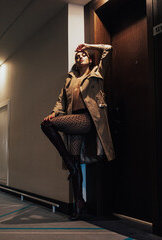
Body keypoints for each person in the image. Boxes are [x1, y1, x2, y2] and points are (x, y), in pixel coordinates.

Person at [41, 43, 115, 220]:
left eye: (83, 55)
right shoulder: (70, 79)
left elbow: (109, 49)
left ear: (90, 59)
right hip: (73, 121)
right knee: (74, 160)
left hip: (87, 119)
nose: (79, 57)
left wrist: (88, 45)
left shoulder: (97, 73)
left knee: (47, 127)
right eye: (77, 56)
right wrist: (53, 113)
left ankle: (69, 162)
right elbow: (61, 101)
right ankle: (79, 203)